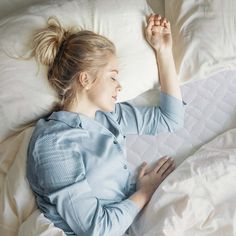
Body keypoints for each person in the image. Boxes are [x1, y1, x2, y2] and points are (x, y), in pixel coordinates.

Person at [26, 13, 186, 236]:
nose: (119, 86)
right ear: (85, 80)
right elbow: (98, 229)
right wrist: (144, 193)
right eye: (112, 77)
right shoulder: (53, 144)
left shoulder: (108, 117)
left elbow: (171, 119)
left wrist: (164, 51)